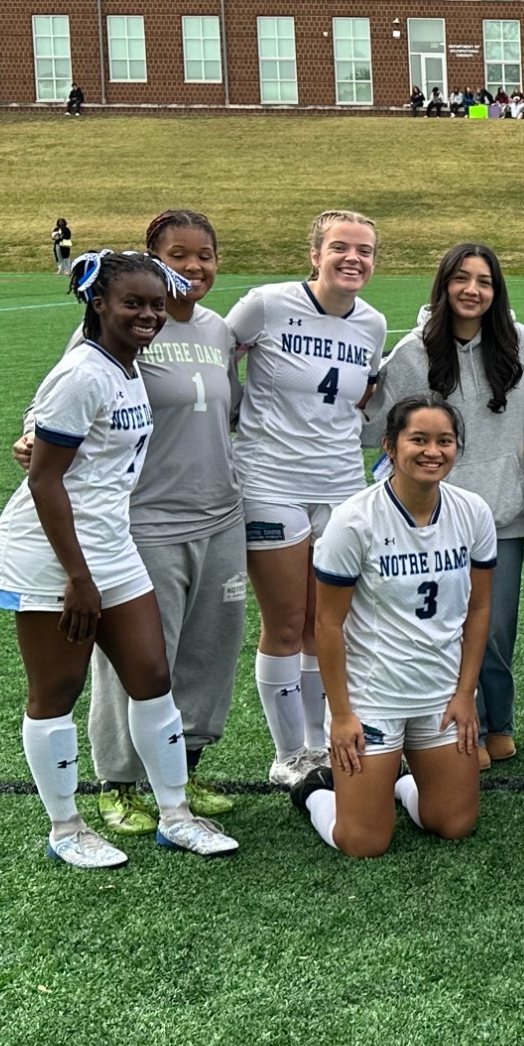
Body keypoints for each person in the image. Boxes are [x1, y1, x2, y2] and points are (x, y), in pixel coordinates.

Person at [0, 252, 239, 867]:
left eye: (156, 304)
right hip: (52, 554)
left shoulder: (126, 366)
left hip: (112, 544)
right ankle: (66, 827)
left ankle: (176, 815)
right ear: (98, 305)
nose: (149, 315)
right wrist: (78, 578)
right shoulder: (84, 372)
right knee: (58, 689)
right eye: (133, 303)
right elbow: (46, 482)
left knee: (153, 679)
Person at [363, 242, 524, 768]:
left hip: (503, 516)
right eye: (462, 279)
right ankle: (455, 727)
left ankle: (500, 723)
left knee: (494, 630)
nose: (472, 291)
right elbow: (374, 426)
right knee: (444, 628)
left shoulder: (521, 345)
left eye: (485, 281)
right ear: (444, 285)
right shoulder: (411, 353)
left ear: (497, 292)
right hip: (431, 520)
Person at [291, 396, 496, 857]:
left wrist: (465, 695)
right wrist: (342, 716)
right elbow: (327, 624)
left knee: (454, 823)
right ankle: (313, 793)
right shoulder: (354, 520)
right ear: (389, 446)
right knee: (363, 842)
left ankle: (399, 783)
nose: (432, 451)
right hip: (374, 699)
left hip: (440, 696)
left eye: (444, 441)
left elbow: (479, 609)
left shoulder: (473, 512)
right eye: (418, 439)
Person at [228, 210, 388, 787]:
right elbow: (212, 351)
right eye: (341, 248)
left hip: (342, 486)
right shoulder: (266, 304)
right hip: (270, 482)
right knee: (287, 622)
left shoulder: (372, 324)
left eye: (365, 250)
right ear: (315, 254)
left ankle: (323, 743)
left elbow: (361, 394)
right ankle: (289, 753)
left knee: (330, 622)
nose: (353, 259)